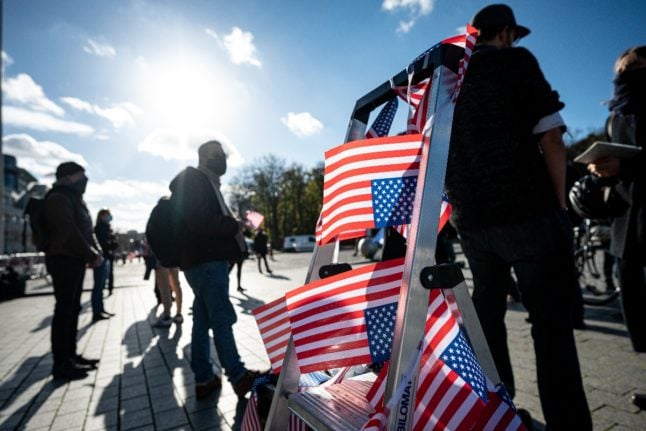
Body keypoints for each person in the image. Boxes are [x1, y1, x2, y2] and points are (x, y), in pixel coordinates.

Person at [444, 4, 591, 429]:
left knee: (488, 318)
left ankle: (498, 413)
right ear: (506, 33)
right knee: (550, 327)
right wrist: (561, 202)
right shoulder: (516, 62)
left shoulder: (453, 80)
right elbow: (551, 136)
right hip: (528, 212)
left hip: (472, 220)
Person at [171, 140, 263, 399]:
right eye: (219, 155)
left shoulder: (206, 182)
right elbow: (200, 221)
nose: (223, 159)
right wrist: (232, 225)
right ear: (205, 156)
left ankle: (204, 378)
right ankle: (238, 375)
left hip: (204, 261)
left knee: (202, 321)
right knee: (222, 319)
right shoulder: (195, 180)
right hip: (207, 261)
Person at [586, 45, 646, 410]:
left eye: (636, 67)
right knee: (638, 309)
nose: (627, 74)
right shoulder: (616, 116)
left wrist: (626, 168)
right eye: (622, 69)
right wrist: (600, 170)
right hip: (627, 224)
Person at [43, 162, 103, 381]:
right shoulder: (58, 197)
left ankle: (71, 355)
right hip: (63, 259)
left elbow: (86, 229)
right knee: (64, 310)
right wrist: (91, 254)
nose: (85, 180)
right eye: (81, 176)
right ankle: (61, 364)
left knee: (73, 308)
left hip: (74, 258)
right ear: (69, 177)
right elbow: (68, 231)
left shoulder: (73, 197)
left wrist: (94, 252)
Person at [92, 209, 116, 322]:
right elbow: (104, 244)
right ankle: (97, 312)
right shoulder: (99, 229)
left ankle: (101, 309)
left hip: (107, 258)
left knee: (101, 286)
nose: (109, 217)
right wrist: (110, 244)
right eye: (107, 215)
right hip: (101, 258)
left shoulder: (108, 228)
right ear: (101, 216)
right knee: (98, 286)